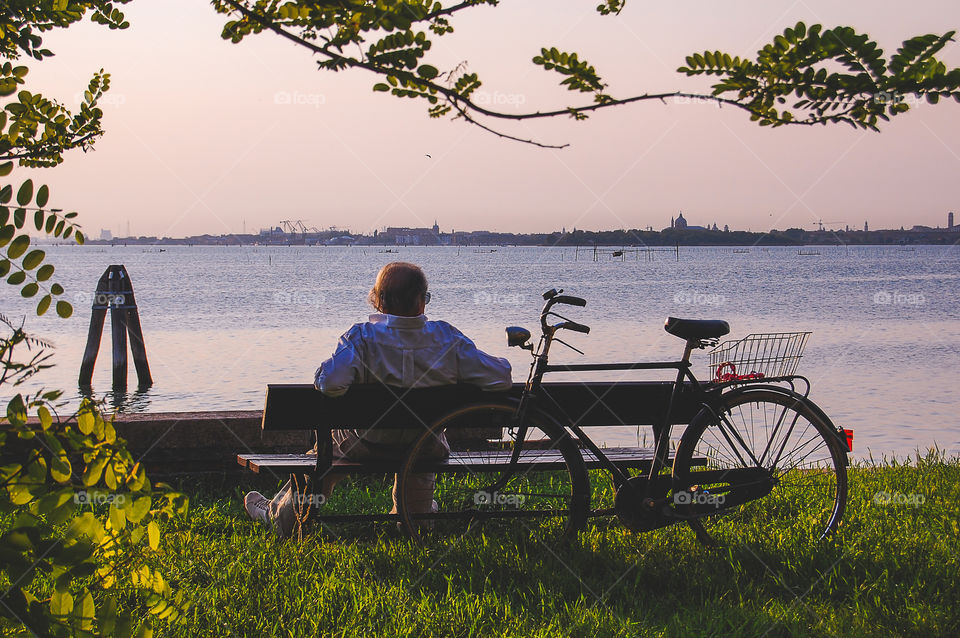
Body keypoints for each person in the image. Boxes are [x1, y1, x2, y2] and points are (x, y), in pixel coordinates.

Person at [244, 262, 512, 536]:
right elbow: (501, 377)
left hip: (366, 443)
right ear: (421, 301)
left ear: (379, 302)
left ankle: (279, 515)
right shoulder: (448, 339)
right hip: (424, 446)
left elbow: (330, 383)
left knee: (327, 452)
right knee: (418, 505)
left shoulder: (361, 338)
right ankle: (414, 517)